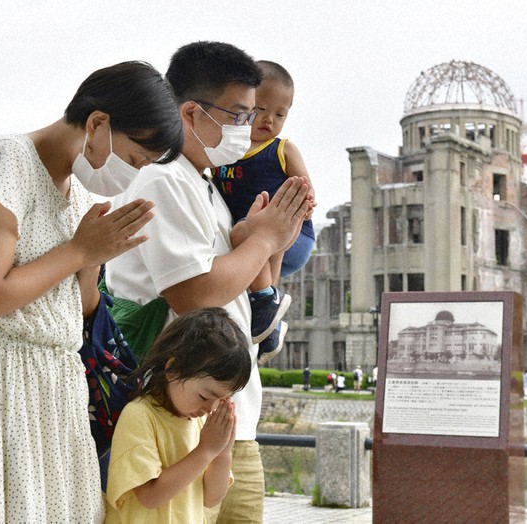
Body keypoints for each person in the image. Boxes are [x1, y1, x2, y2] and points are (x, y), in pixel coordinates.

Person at [0, 61, 184, 523]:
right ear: (98, 123)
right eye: (136, 159)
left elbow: (78, 309)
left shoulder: (77, 193)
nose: (133, 174)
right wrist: (79, 251)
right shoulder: (8, 161)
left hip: (54, 385)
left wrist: (94, 256)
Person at [104, 42, 311, 524]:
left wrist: (256, 238)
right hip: (177, 418)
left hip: (221, 411)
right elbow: (194, 293)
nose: (250, 128)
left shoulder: (204, 184)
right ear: (192, 111)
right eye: (240, 114)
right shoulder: (162, 178)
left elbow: (233, 285)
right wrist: (264, 240)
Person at [105, 308, 252, 523]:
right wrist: (206, 450)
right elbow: (150, 496)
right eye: (204, 396)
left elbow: (212, 498)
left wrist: (222, 452)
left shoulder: (201, 422)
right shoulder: (140, 415)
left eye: (222, 400)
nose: (211, 408)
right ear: (172, 369)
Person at [214, 60, 316, 364]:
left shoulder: (282, 149)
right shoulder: (224, 152)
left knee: (248, 230)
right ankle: (269, 332)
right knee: (247, 233)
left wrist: (303, 203)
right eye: (260, 109)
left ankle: (265, 300)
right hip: (258, 241)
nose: (269, 120)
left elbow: (307, 195)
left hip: (293, 236)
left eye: (280, 114)